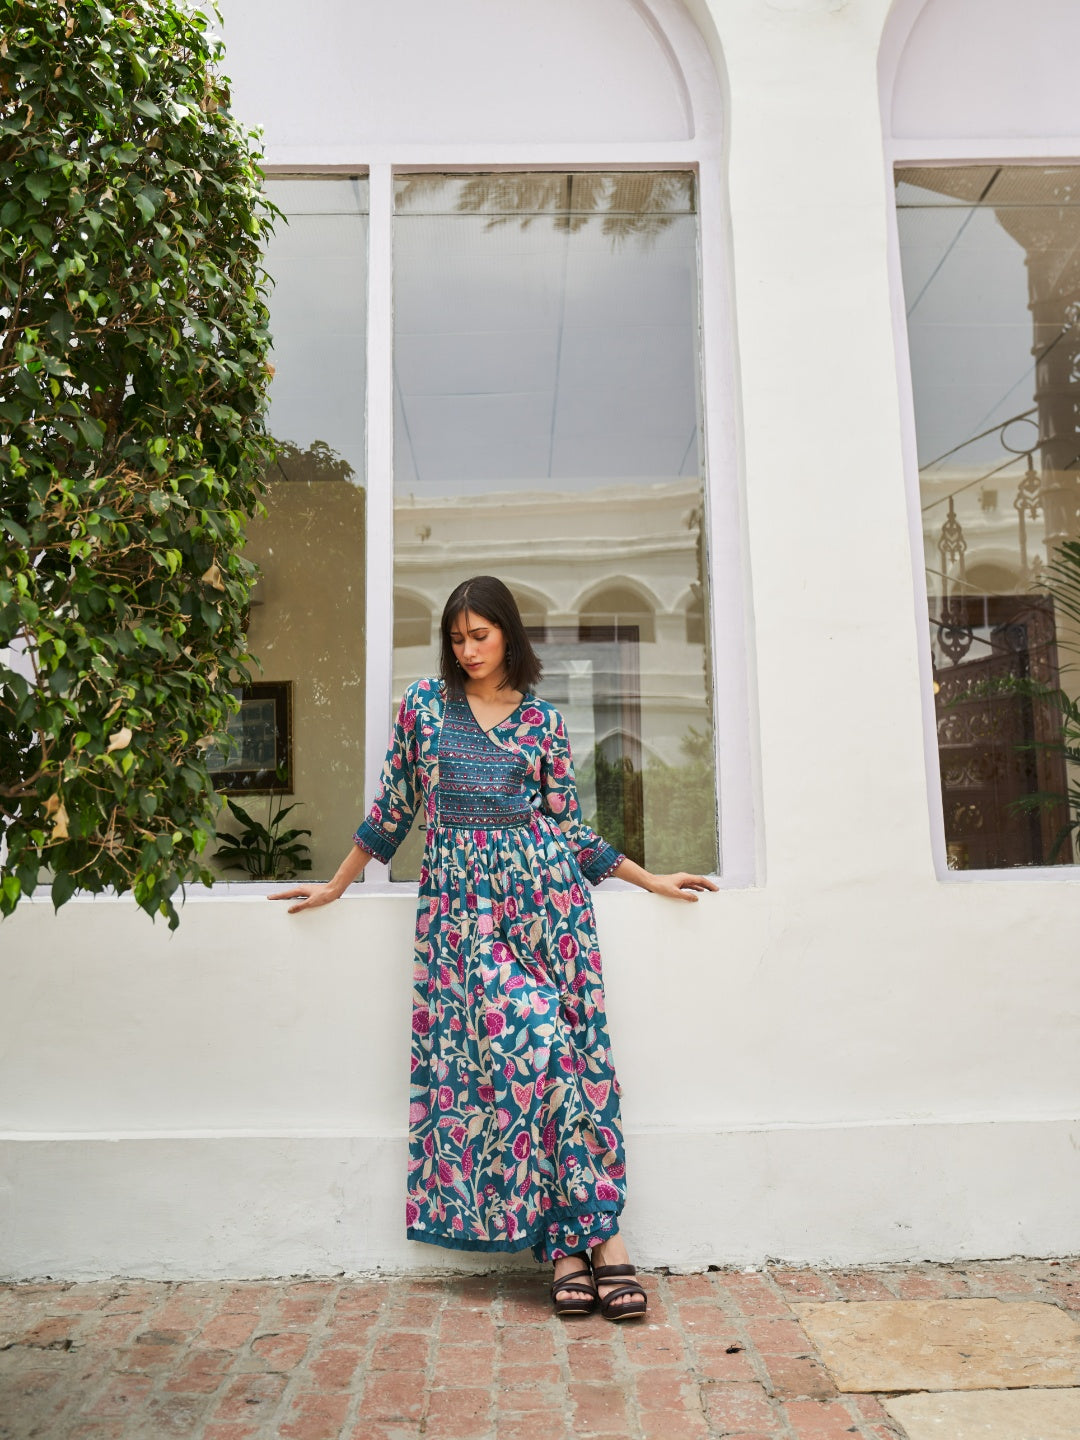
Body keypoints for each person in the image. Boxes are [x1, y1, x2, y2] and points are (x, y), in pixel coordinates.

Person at [270, 576, 717, 1320]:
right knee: (536, 1053)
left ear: (508, 632)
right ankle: (600, 1239)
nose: (467, 650)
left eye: (480, 635)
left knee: (568, 1064)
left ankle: (578, 1249)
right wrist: (336, 886)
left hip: (548, 907)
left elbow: (569, 828)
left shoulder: (542, 720)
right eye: (456, 638)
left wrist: (649, 879)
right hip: (463, 917)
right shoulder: (424, 706)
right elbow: (394, 808)